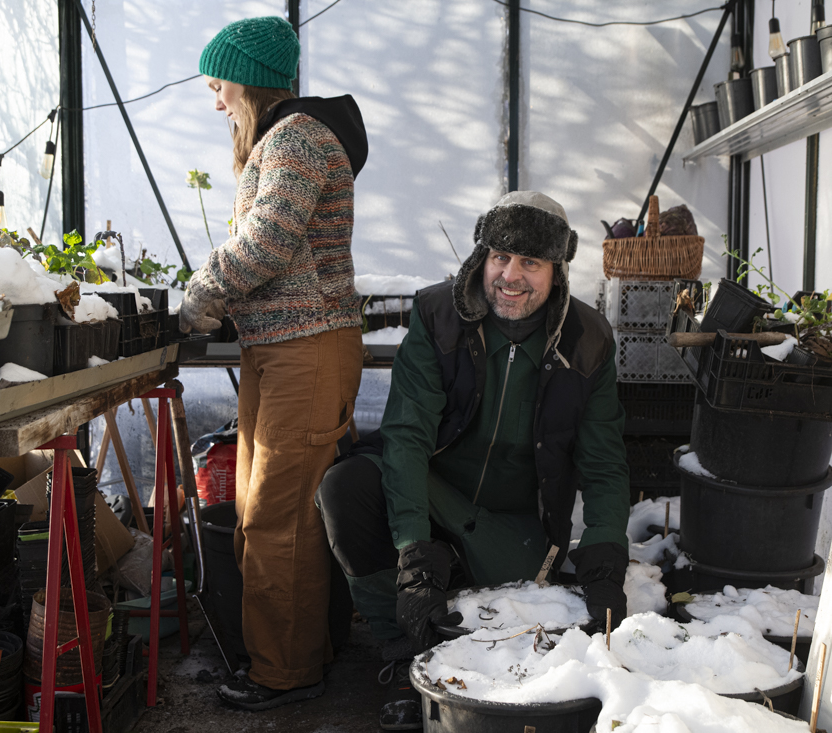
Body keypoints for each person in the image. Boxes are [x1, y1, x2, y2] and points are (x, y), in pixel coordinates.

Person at [315, 191, 631, 730]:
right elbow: (408, 436)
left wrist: (604, 553)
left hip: (517, 520)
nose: (510, 276)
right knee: (347, 489)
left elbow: (603, 458)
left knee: (506, 630)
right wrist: (414, 548)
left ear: (556, 271)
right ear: (481, 257)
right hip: (436, 491)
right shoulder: (439, 315)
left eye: (530, 262)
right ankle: (401, 654)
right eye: (499, 257)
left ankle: (454, 607)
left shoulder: (589, 340)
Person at [179, 15, 369, 711]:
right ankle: (295, 656)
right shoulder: (284, 140)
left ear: (250, 80)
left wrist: (203, 290)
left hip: (305, 349)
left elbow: (268, 240)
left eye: (220, 81)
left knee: (274, 516)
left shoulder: (296, 139)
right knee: (272, 511)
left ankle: (282, 673)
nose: (214, 96)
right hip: (282, 347)